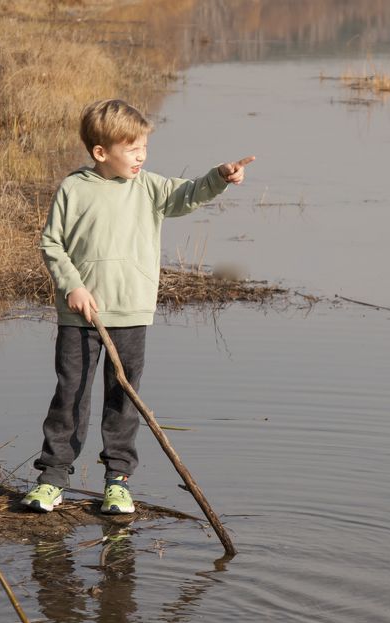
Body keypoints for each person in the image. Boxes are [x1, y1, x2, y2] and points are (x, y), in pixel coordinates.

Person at [21, 99, 254, 514]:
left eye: (144, 147)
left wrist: (219, 177)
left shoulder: (149, 187)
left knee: (123, 399)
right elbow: (51, 243)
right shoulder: (74, 188)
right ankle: (52, 479)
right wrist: (72, 286)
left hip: (131, 313)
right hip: (79, 316)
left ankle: (117, 481)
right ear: (100, 152)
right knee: (70, 394)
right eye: (131, 149)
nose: (141, 156)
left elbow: (188, 194)